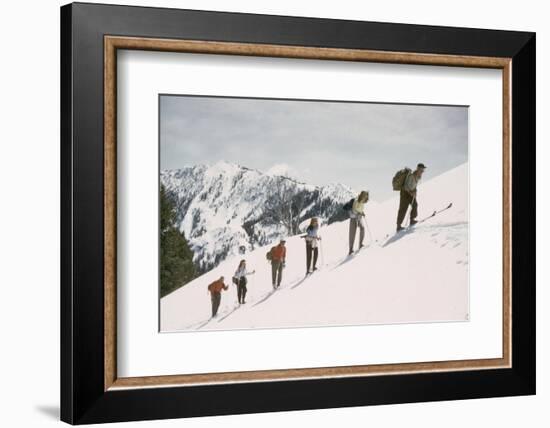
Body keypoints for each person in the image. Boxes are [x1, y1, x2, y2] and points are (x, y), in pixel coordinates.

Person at [396, 163, 427, 232]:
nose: (423, 171)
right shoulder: (411, 175)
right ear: (418, 169)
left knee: (415, 205)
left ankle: (412, 220)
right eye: (422, 169)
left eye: (423, 170)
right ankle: (398, 226)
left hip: (411, 193)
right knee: (403, 208)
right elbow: (406, 186)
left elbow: (414, 185)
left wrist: (415, 191)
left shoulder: (418, 176)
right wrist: (411, 192)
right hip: (404, 193)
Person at [349, 190, 369, 255]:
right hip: (353, 217)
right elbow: (354, 209)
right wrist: (359, 213)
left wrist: (362, 213)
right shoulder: (356, 200)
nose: (366, 197)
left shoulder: (363, 201)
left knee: (362, 228)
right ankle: (350, 249)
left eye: (366, 196)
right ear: (362, 195)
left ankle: (360, 244)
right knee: (352, 233)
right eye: (365, 195)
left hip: (359, 217)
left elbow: (360, 209)